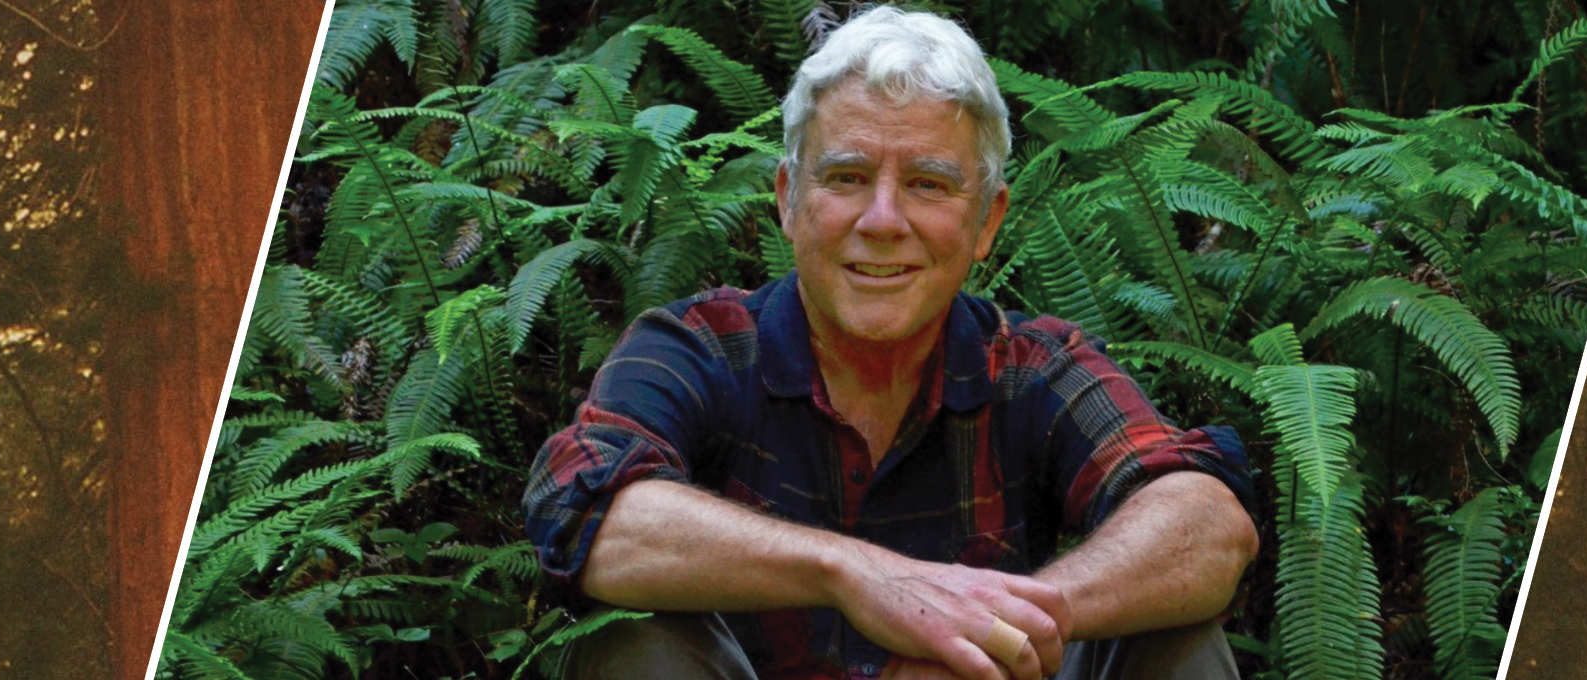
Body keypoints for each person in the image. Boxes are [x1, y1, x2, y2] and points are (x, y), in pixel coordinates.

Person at [523, 7, 1260, 679]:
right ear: (787, 198)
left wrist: (984, 627)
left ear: (988, 221)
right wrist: (853, 575)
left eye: (929, 185)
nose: (882, 219)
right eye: (846, 176)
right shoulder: (698, 350)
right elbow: (583, 507)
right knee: (630, 645)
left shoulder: (1035, 369)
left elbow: (1206, 522)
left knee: (1181, 640)